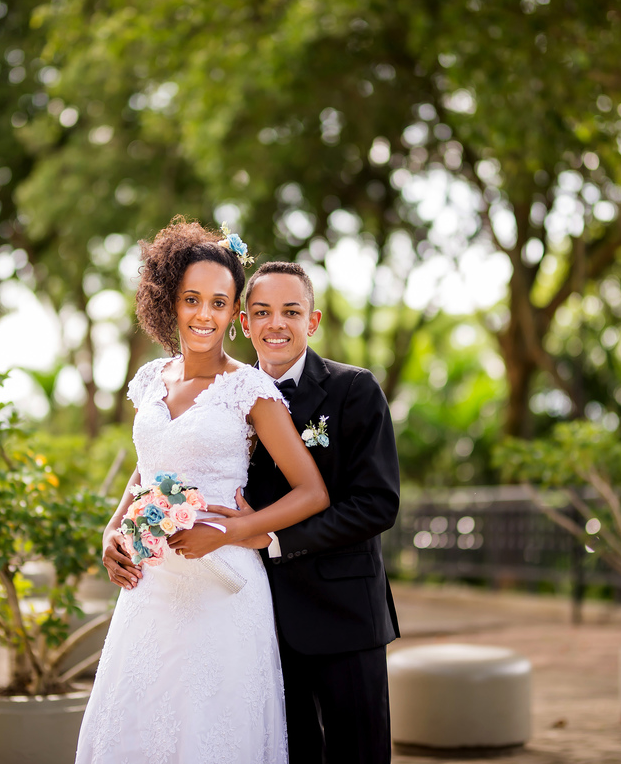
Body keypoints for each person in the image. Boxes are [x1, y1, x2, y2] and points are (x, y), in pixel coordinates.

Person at [77, 220, 328, 764]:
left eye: (219, 303)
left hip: (225, 587)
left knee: (212, 730)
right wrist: (113, 527)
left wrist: (233, 531)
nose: (203, 315)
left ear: (234, 313)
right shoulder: (149, 380)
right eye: (192, 300)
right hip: (150, 586)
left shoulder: (250, 388)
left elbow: (312, 491)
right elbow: (148, 469)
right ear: (170, 302)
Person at [170, 261, 401, 764]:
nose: (276, 324)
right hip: (261, 618)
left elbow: (376, 504)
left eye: (290, 312)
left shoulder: (354, 390)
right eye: (262, 312)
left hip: (345, 616)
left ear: (312, 322)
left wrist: (271, 539)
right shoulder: (225, 396)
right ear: (244, 323)